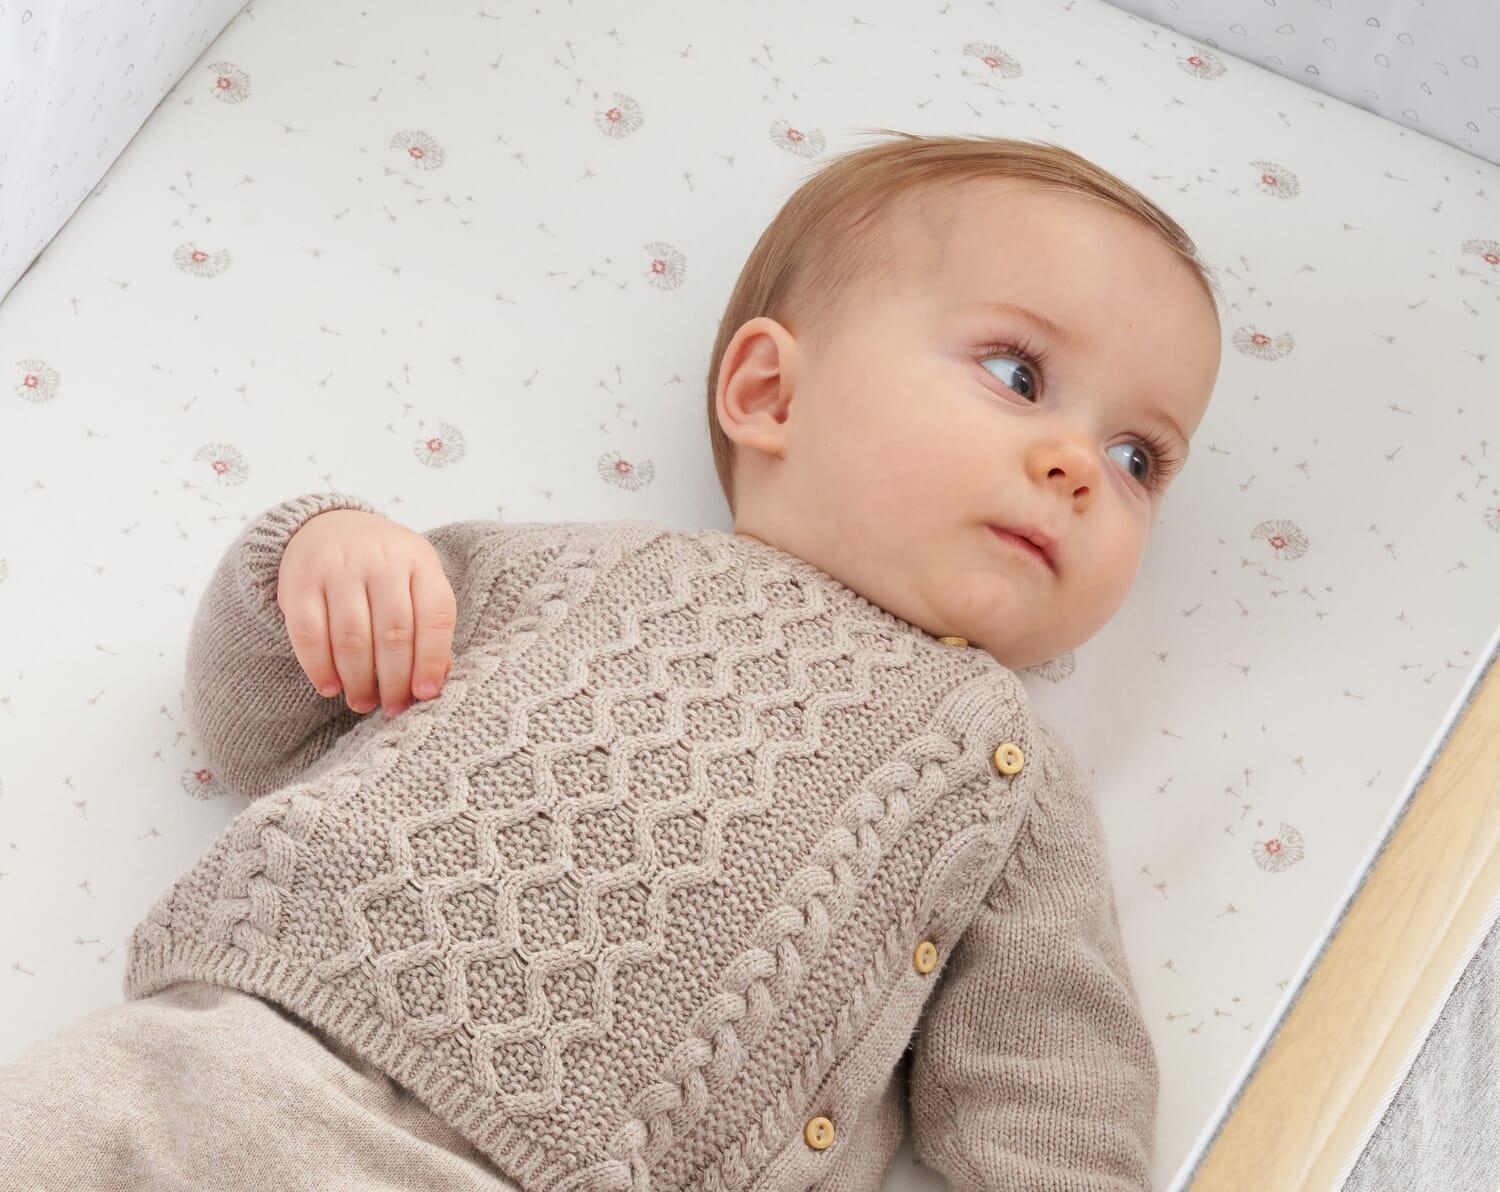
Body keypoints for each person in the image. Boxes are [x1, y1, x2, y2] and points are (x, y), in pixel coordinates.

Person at [0, 129, 1221, 1191]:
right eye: (1019, 376)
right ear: (770, 392)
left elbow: (1056, 1077)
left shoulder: (1005, 773)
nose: (1076, 464)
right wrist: (316, 556)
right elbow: (253, 722)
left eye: (1137, 459)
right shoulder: (562, 569)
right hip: (228, 1055)